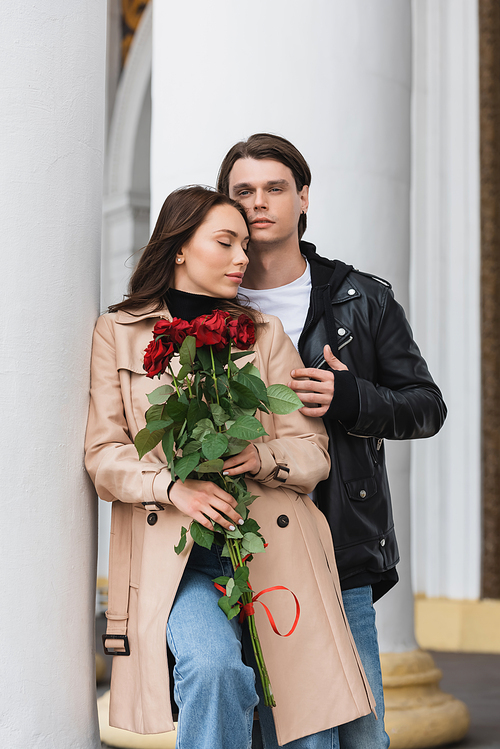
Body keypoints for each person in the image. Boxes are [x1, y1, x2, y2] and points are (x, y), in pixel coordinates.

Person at [85, 186, 376, 749]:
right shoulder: (117, 332)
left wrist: (262, 456)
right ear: (178, 248)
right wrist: (174, 488)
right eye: (226, 242)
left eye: (245, 243)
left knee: (305, 714)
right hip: (176, 561)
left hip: (270, 550)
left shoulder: (264, 335)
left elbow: (313, 452)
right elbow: (103, 455)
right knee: (213, 670)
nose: (244, 257)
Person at [217, 134, 448, 749]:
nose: (259, 202)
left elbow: (427, 408)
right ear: (227, 204)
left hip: (341, 546)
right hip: (248, 546)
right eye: (244, 191)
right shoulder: (210, 306)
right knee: (284, 736)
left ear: (303, 197)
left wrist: (352, 400)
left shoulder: (362, 298)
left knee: (364, 737)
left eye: (275, 188)